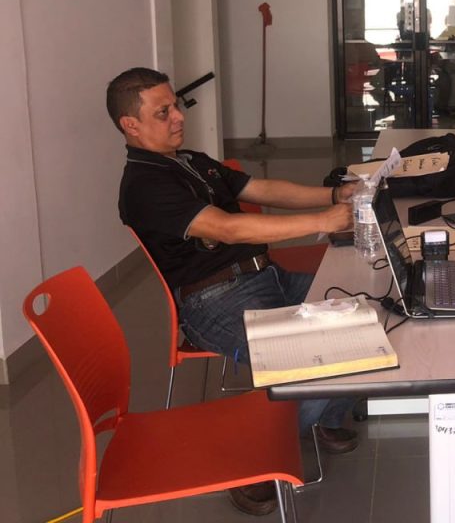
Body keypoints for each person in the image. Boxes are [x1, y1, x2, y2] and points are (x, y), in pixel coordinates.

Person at [107, 67, 358, 516]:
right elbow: (226, 228)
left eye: (176, 106)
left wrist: (334, 196)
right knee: (315, 362)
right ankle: (255, 468)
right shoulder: (144, 185)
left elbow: (263, 189)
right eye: (163, 112)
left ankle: (323, 417)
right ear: (131, 125)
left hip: (266, 277)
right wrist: (323, 221)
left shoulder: (190, 160)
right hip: (215, 301)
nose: (178, 116)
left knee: (361, 312)